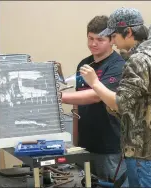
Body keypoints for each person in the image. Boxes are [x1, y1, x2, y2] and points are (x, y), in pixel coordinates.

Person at [79, 7, 151, 188]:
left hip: (142, 153)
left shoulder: (137, 61)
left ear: (128, 32)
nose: (112, 41)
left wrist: (95, 83)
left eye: (114, 36)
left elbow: (120, 104)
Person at [61, 15, 128, 186]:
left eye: (100, 39)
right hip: (85, 145)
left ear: (112, 40)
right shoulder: (84, 64)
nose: (93, 44)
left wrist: (58, 98)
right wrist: (75, 142)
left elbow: (96, 96)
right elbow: (78, 104)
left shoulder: (118, 66)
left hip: (109, 146)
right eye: (90, 38)